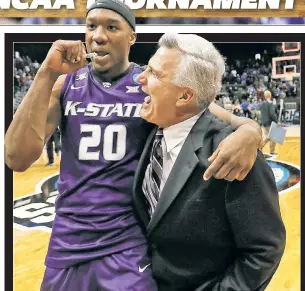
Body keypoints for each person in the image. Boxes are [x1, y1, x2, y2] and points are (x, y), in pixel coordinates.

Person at [5, 1, 263, 290]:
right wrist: (46, 73)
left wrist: (251, 132)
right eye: (91, 26)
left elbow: (222, 117)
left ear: (132, 37)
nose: (98, 36)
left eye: (111, 27)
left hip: (126, 246)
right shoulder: (64, 85)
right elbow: (16, 158)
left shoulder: (150, 84)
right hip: (67, 243)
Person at [133, 33, 286, 291]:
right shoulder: (152, 124)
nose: (140, 78)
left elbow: (264, 250)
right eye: (146, 67)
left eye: (155, 74)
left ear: (184, 97)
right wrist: (250, 128)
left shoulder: (233, 156)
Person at [260, 90, 278, 154]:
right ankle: (271, 151)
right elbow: (272, 114)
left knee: (268, 136)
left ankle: (260, 147)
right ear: (270, 95)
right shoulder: (271, 104)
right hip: (270, 123)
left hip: (264, 123)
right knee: (273, 137)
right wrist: (277, 121)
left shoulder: (262, 104)